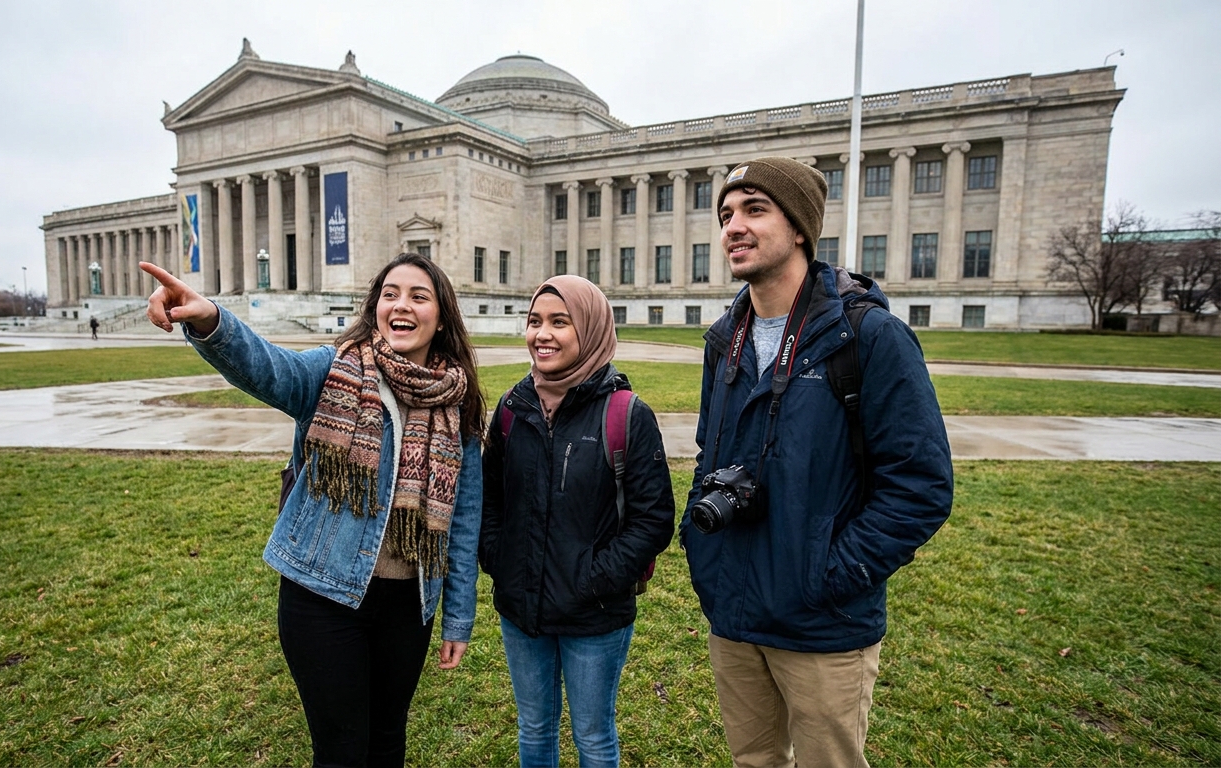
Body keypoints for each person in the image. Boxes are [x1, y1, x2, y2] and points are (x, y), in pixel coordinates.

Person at [140, 253, 484, 768]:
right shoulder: (335, 370)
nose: (402, 305)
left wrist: (457, 618)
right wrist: (211, 318)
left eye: (419, 295)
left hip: (406, 606)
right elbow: (269, 369)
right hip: (321, 594)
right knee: (342, 750)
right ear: (375, 307)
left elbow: (463, 523)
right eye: (390, 293)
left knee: (388, 743)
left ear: (442, 314)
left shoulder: (457, 402)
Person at [683, 157, 954, 768]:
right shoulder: (723, 340)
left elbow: (921, 486)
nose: (734, 227)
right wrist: (704, 551)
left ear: (800, 228)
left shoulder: (869, 337)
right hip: (734, 611)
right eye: (726, 214)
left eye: (755, 209)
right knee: (753, 761)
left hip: (823, 625)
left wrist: (828, 576)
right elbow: (711, 455)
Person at [481, 275, 675, 768]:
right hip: (522, 608)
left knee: (592, 735)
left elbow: (653, 521)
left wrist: (594, 578)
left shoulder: (626, 414)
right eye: (534, 322)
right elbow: (489, 503)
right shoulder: (510, 410)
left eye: (559, 322)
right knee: (535, 728)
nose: (542, 334)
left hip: (595, 614)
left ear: (588, 330)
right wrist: (502, 561)